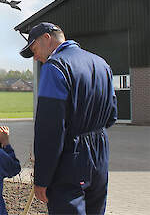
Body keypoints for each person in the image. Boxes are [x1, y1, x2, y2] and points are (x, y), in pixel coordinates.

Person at [19, 22, 118, 214]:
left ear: (47, 39)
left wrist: (42, 179)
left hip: (70, 158)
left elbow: (50, 130)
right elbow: (112, 116)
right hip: (100, 155)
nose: (36, 57)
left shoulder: (55, 68)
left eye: (34, 48)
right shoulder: (101, 64)